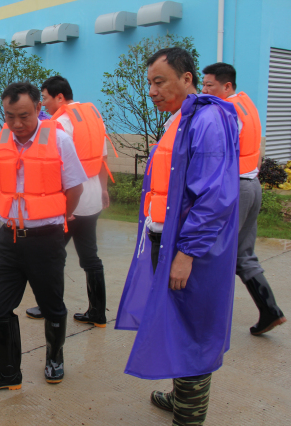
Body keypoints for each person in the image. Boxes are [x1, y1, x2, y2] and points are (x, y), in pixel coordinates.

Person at [115, 48, 240, 425]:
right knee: (174, 321)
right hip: (165, 241)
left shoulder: (208, 120)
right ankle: (178, 396)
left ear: (187, 79)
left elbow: (215, 196)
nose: (152, 91)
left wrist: (186, 252)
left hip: (187, 250)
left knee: (191, 329)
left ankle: (189, 416)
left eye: (160, 81)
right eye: (149, 83)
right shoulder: (179, 119)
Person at [0, 82, 87, 392]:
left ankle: (54, 358)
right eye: (9, 116)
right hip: (8, 237)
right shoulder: (1, 140)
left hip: (46, 237)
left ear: (39, 108)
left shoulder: (59, 140)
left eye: (23, 116)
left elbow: (75, 187)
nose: (17, 124)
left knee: (52, 305)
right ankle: (8, 373)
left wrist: (57, 217)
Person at [202, 62, 286, 335]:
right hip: (253, 185)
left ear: (227, 86)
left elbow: (215, 156)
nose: (204, 90)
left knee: (217, 254)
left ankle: (211, 323)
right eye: (203, 84)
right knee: (242, 253)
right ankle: (270, 310)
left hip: (235, 189)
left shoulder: (226, 112)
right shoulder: (246, 104)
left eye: (209, 85)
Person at [25, 76, 113, 328]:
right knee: (90, 257)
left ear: (59, 97)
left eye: (45, 97)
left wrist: (61, 206)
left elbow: (51, 164)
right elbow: (103, 158)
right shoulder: (93, 117)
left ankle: (48, 306)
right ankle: (97, 312)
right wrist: (104, 190)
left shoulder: (60, 122)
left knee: (50, 256)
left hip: (70, 202)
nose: (43, 103)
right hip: (93, 197)